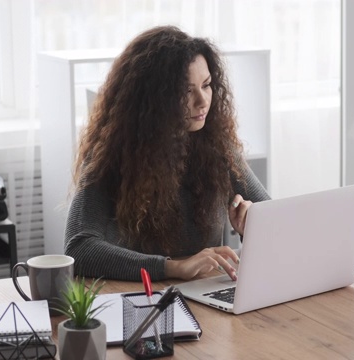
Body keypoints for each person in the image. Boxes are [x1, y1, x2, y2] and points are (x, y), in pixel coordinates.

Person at [64, 26, 270, 282]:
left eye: (206, 85)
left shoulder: (217, 145)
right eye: (186, 91)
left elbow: (276, 221)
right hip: (141, 299)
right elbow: (79, 248)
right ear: (154, 100)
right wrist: (171, 267)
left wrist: (253, 226)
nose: (203, 100)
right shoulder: (113, 154)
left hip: (205, 293)